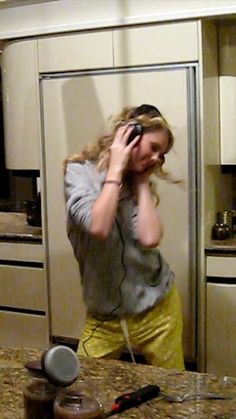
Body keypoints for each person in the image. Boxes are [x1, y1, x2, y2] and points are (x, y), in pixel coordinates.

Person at [64, 104, 185, 371]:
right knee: (83, 387)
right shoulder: (79, 172)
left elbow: (150, 237)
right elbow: (98, 226)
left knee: (172, 389)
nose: (156, 158)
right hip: (105, 318)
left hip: (158, 309)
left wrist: (141, 184)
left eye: (161, 154)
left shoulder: (137, 181)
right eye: (153, 148)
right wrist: (116, 170)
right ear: (129, 135)